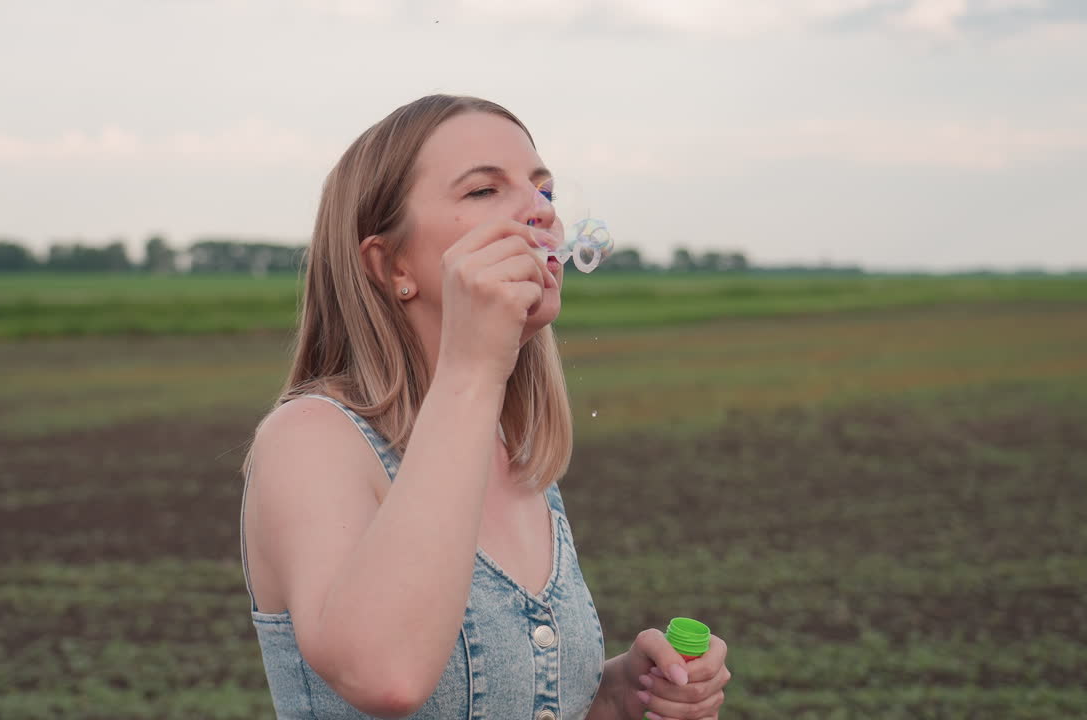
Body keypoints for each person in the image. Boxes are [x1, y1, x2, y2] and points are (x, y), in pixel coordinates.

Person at [238, 94, 731, 719]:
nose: (540, 215)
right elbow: (386, 673)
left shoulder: (510, 448)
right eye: (482, 192)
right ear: (389, 264)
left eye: (542, 190)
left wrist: (613, 698)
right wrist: (473, 365)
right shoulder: (310, 438)